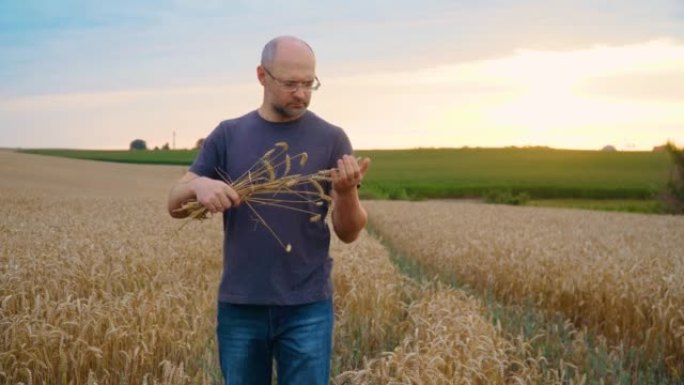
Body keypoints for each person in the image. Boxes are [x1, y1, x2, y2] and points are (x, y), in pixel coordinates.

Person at [167, 35, 370, 385]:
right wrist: (199, 186)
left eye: (310, 84)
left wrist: (347, 192)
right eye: (291, 84)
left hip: (308, 306)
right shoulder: (228, 135)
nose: (302, 94)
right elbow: (174, 203)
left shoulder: (332, 138)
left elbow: (349, 233)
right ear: (262, 76)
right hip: (241, 306)